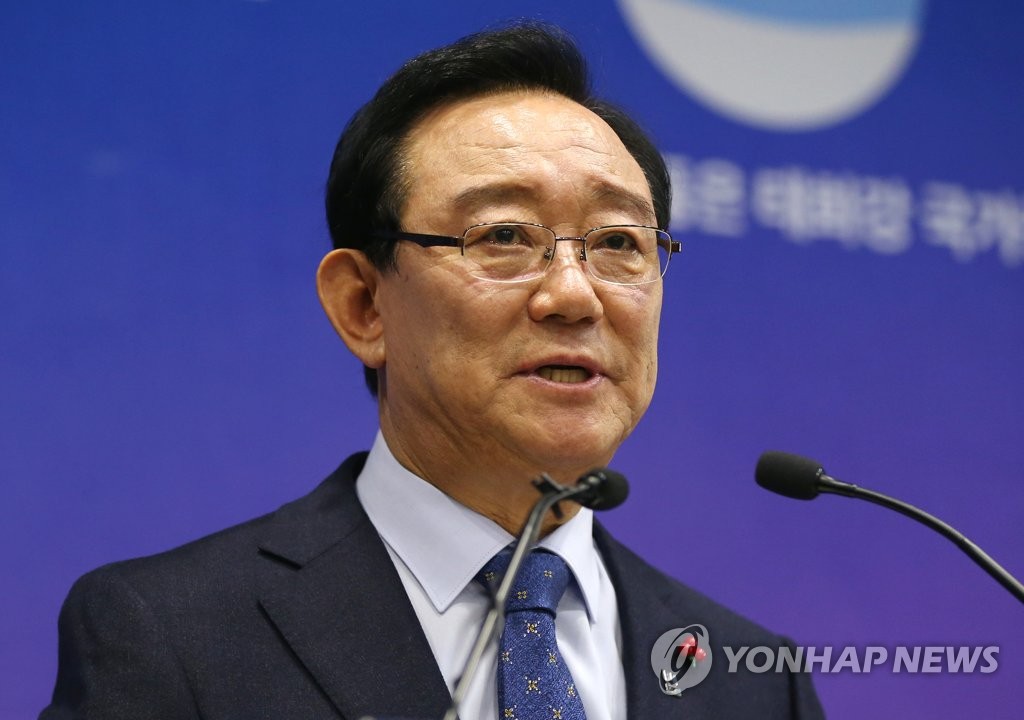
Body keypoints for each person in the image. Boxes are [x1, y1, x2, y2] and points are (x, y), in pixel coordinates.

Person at [41, 23, 824, 720]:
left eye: (620, 243)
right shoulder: (172, 635)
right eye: (505, 235)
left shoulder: (753, 680)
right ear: (363, 306)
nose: (574, 295)